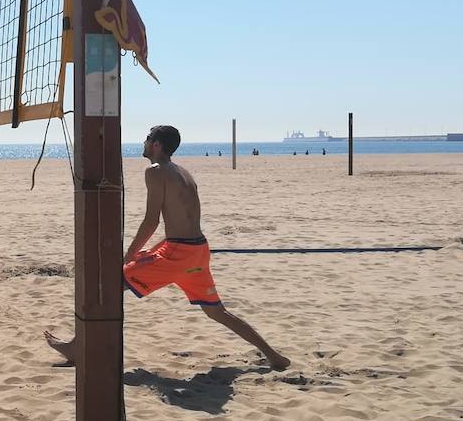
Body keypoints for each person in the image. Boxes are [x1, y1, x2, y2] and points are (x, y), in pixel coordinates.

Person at [45, 124, 290, 371]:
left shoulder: (155, 172)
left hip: (178, 254)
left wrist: (128, 256)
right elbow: (183, 223)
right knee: (218, 312)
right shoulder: (184, 173)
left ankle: (78, 349)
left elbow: (152, 220)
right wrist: (150, 251)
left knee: (107, 285)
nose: (143, 142)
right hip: (197, 251)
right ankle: (273, 356)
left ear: (156, 145)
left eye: (147, 138)